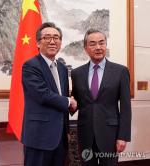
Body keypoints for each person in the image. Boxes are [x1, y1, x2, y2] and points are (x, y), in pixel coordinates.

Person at [71, 29, 132, 166]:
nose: (98, 47)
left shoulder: (120, 71)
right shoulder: (77, 73)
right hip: (85, 134)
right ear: (86, 48)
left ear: (106, 45)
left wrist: (123, 136)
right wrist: (69, 104)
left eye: (101, 43)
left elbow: (126, 107)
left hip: (110, 135)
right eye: (92, 44)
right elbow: (76, 101)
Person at [21, 22, 77, 166]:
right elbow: (42, 94)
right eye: (47, 37)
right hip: (38, 137)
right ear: (38, 43)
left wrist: (67, 129)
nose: (52, 41)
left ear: (60, 42)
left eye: (56, 37)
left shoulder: (63, 69)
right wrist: (69, 102)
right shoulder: (31, 66)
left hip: (60, 139)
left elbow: (61, 97)